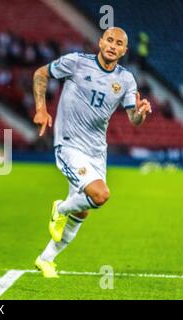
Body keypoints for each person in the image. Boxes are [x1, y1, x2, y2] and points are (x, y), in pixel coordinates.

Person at [32, 27, 152, 278]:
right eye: (109, 40)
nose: (112, 45)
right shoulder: (75, 62)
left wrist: (140, 113)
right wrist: (41, 109)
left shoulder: (126, 79)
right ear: (100, 42)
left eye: (119, 43)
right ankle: (60, 208)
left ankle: (45, 259)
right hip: (68, 145)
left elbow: (134, 118)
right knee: (100, 195)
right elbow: (41, 73)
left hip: (97, 151)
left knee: (84, 209)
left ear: (124, 50)